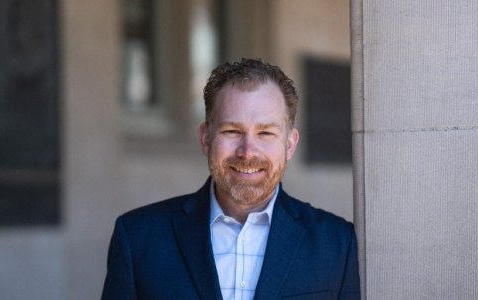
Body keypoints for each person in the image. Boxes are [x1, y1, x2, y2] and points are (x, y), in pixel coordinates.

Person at [101, 58, 360, 300]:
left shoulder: (337, 244)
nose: (247, 152)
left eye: (266, 133)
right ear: (205, 139)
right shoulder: (138, 238)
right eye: (232, 130)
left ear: (290, 145)